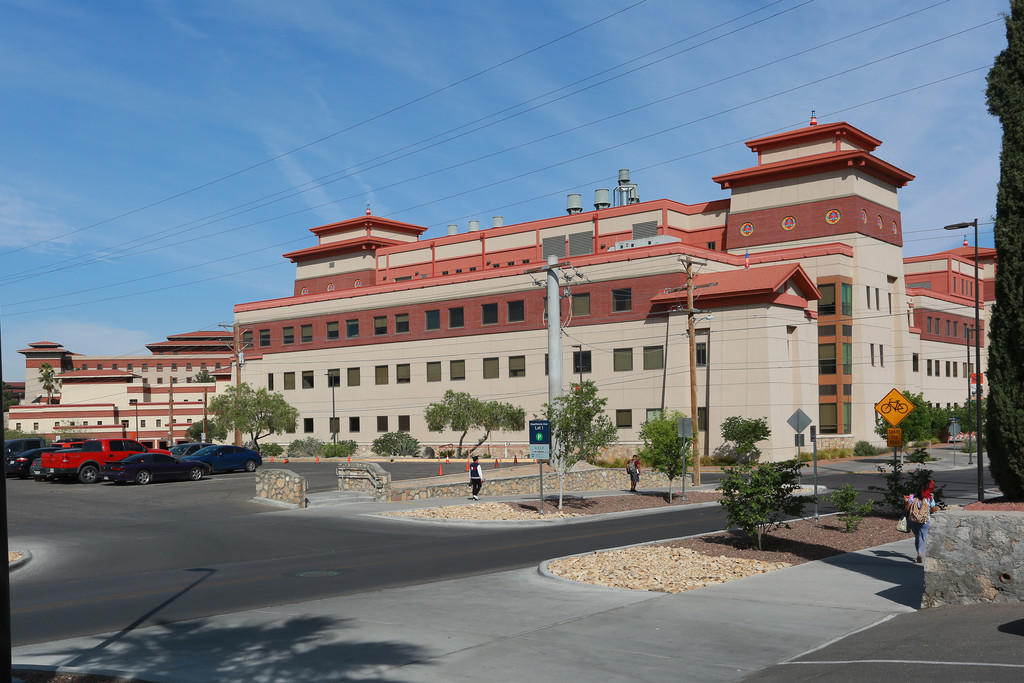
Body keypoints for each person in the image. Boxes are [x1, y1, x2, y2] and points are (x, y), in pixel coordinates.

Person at [906, 479, 938, 563]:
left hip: (913, 520)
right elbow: (934, 509)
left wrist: (907, 501)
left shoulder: (913, 497)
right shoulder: (929, 498)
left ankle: (918, 552)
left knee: (917, 537)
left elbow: (908, 508)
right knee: (922, 538)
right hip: (924, 521)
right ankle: (920, 553)